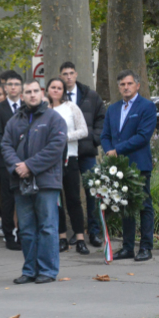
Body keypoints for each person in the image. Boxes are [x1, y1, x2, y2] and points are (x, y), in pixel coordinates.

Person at [1, 80, 67, 285]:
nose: (31, 95)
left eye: (35, 91)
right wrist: (17, 166)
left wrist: (29, 166)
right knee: (26, 229)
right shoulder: (14, 121)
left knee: (47, 227)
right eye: (27, 92)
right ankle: (30, 270)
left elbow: (56, 147)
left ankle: (47, 270)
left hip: (46, 182)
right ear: (22, 96)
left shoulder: (54, 118)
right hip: (20, 182)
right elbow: (5, 146)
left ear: (42, 93)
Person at [101, 70, 157, 262]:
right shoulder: (113, 109)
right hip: (118, 167)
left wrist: (117, 150)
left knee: (143, 206)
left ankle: (146, 247)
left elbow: (143, 136)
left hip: (139, 165)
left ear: (137, 85)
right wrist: (109, 151)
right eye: (122, 84)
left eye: (129, 84)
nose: (126, 87)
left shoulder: (147, 107)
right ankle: (127, 248)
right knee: (125, 206)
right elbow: (105, 135)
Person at [60, 61, 106, 248]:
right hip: (66, 154)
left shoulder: (91, 95)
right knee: (70, 194)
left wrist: (94, 138)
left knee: (92, 192)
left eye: (71, 73)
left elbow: (101, 118)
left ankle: (94, 232)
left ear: (76, 74)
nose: (68, 76)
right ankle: (77, 232)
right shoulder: (56, 97)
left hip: (86, 152)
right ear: (61, 76)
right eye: (65, 74)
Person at [45, 78, 90, 255]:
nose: (56, 90)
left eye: (59, 88)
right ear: (48, 89)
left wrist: (63, 137)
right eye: (53, 87)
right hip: (50, 162)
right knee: (57, 202)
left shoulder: (71, 107)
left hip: (69, 158)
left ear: (63, 90)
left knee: (73, 199)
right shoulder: (44, 109)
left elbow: (84, 131)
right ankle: (62, 237)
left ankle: (80, 239)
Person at [0, 70, 24, 250]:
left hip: (26, 162)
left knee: (23, 199)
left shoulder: (27, 106)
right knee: (7, 200)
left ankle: (22, 233)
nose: (13, 88)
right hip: (5, 163)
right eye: (10, 85)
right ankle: (9, 234)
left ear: (21, 88)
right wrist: (10, 158)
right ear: (5, 88)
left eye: (16, 85)